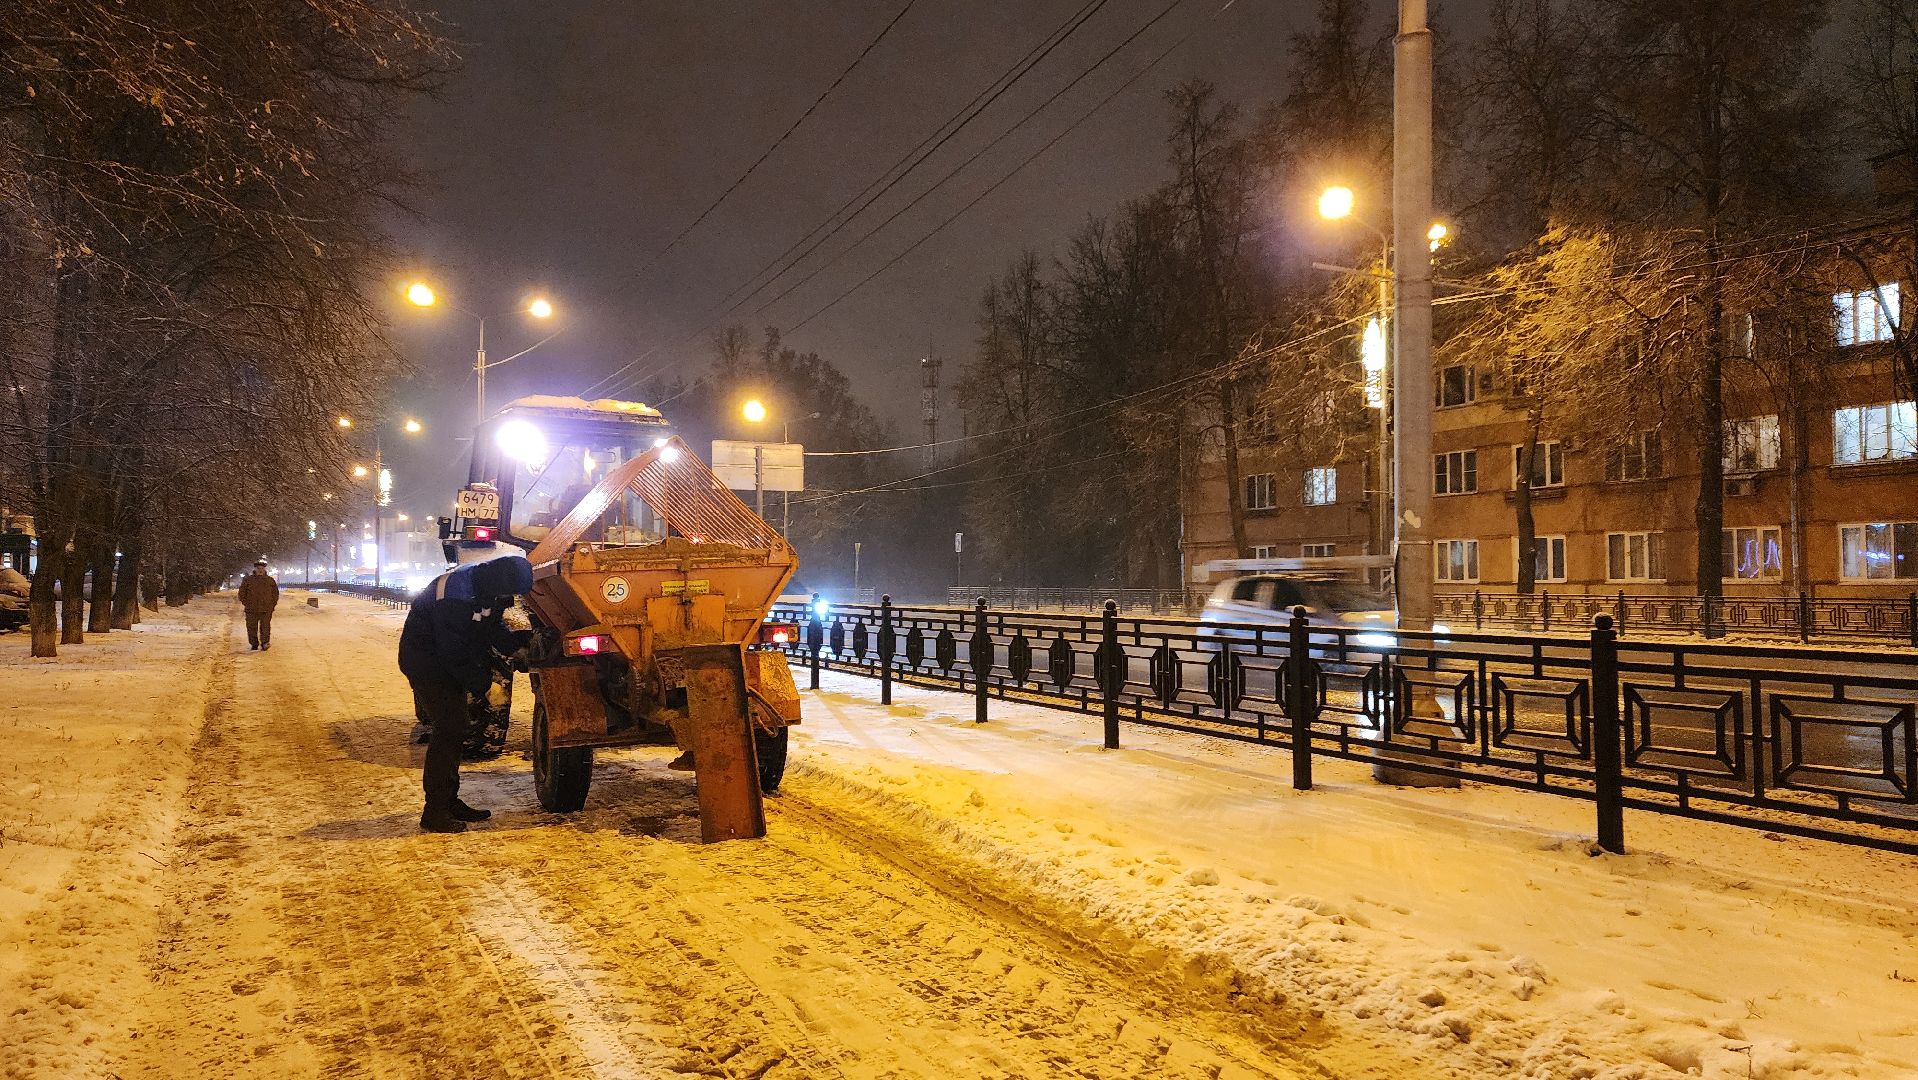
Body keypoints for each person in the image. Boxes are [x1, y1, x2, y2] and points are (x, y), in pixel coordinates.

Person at [397, 556, 534, 833]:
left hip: (445, 661)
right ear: (499, 582)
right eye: (508, 592)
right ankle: (435, 811)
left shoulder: (486, 588)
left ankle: (448, 801)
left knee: (456, 728)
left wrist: (517, 645)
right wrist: (485, 685)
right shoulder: (454, 594)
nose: (508, 598)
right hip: (426, 662)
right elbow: (453, 652)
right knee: (449, 729)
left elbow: (489, 627)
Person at [237, 560, 279, 650]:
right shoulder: (248, 580)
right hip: (251, 609)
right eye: (258, 568)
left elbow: (275, 594)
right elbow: (241, 593)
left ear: (264, 570)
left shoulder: (270, 580)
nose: (260, 570)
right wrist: (247, 603)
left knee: (265, 627)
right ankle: (254, 643)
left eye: (262, 568)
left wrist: (272, 604)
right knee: (251, 627)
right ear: (255, 569)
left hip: (266, 609)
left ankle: (265, 643)